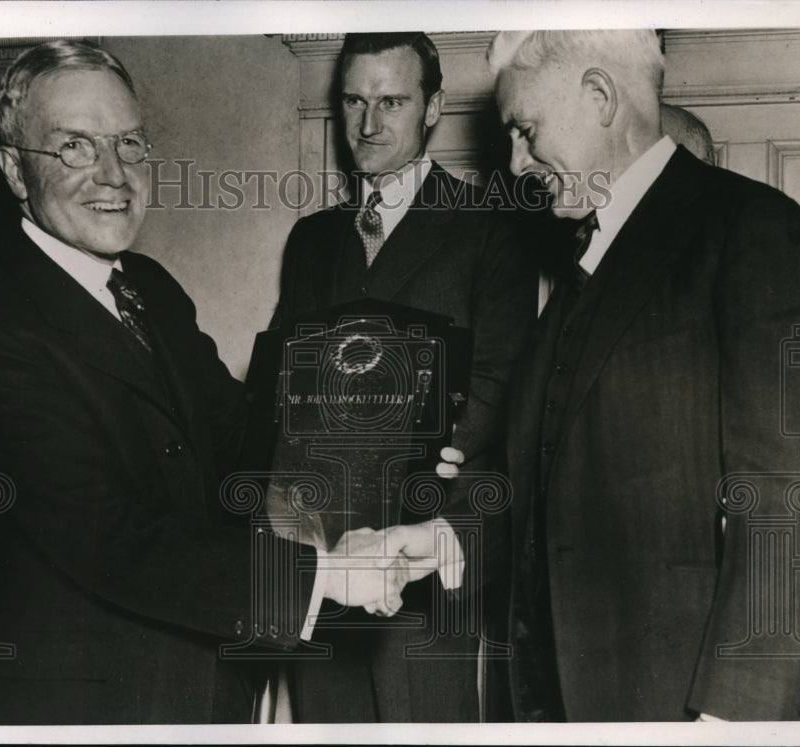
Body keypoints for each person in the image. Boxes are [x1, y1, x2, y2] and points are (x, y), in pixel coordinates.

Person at [0, 39, 429, 725]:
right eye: (74, 146)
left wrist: (395, 448)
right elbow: (114, 542)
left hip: (194, 690)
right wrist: (329, 574)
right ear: (15, 170)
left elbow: (239, 438)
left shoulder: (149, 289)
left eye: (129, 143)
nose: (113, 173)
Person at [483, 30, 800, 721]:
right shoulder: (585, 267)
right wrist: (438, 542)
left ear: (599, 97)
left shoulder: (754, 229)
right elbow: (550, 495)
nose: (516, 161)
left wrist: (736, 718)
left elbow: (794, 501)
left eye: (525, 130)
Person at [271, 32, 538, 722]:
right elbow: (282, 388)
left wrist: (428, 460)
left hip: (420, 551)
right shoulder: (313, 240)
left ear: (434, 107)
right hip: (321, 558)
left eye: (391, 101)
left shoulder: (490, 226)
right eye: (354, 101)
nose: (368, 124)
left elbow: (501, 379)